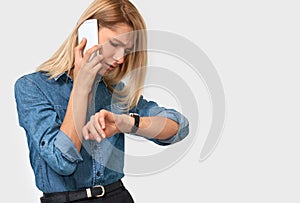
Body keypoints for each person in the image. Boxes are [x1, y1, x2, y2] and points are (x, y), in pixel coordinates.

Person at [14, 0, 189, 202]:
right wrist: (82, 86)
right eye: (115, 44)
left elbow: (179, 128)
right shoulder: (32, 88)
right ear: (85, 34)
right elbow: (62, 162)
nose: (121, 59)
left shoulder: (115, 93)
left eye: (127, 51)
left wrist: (130, 123)